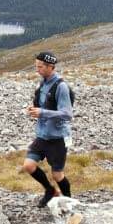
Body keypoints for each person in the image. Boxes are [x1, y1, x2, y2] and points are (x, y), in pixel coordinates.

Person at [21, 51, 74, 208]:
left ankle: (69, 202)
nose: (37, 69)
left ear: (51, 67)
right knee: (28, 165)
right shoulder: (42, 84)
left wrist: (42, 112)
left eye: (40, 67)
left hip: (58, 138)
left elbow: (67, 114)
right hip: (42, 135)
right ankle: (50, 191)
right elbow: (42, 106)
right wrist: (33, 109)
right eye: (36, 66)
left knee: (57, 175)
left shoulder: (61, 87)